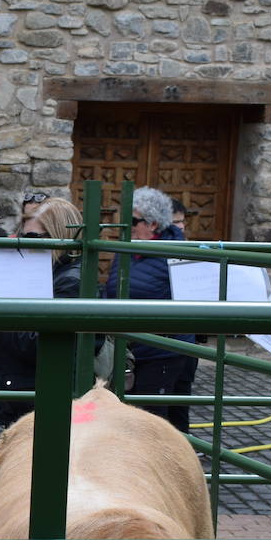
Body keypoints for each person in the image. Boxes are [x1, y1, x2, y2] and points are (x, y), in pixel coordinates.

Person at [0, 197, 87, 429]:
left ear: (58, 236)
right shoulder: (40, 273)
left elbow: (40, 343)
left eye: (30, 238)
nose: (21, 245)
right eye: (22, 236)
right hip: (22, 398)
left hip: (41, 403)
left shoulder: (70, 282)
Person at [105, 185, 198, 432]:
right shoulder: (126, 250)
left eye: (133, 220)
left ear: (153, 224)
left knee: (153, 421)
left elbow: (191, 301)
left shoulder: (176, 254)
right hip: (131, 350)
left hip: (161, 351)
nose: (127, 226)